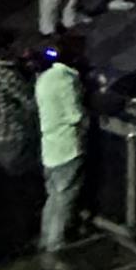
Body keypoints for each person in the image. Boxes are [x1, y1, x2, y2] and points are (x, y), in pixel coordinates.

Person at [34, 32, 88, 257]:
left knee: (53, 198)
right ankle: (56, 248)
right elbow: (75, 115)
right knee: (64, 201)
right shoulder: (66, 80)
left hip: (49, 148)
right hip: (67, 149)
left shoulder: (43, 78)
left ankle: (46, 239)